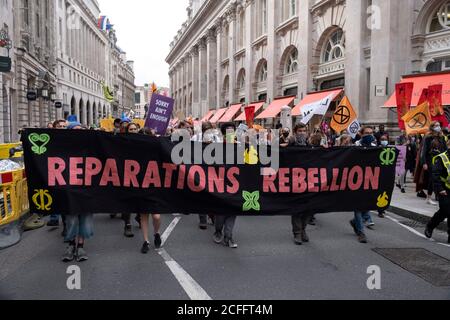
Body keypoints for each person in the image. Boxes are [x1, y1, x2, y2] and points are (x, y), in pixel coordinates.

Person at [62, 125, 93, 262]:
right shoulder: (63, 148)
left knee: (85, 220)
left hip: (87, 190)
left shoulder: (91, 148)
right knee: (72, 219)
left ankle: (80, 246)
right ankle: (70, 245)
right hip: (70, 190)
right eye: (76, 130)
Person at [213, 122, 238, 248]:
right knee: (221, 211)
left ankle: (228, 236)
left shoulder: (239, 146)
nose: (230, 133)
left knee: (233, 209)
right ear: (223, 133)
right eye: (228, 130)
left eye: (232, 130)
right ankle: (218, 230)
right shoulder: (217, 147)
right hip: (220, 183)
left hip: (236, 183)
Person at [350, 126, 377, 243]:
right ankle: (361, 232)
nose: (369, 135)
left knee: (366, 205)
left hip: (370, 180)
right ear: (361, 134)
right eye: (366, 133)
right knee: (358, 207)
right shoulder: (355, 146)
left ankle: (355, 222)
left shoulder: (376, 147)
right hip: (357, 181)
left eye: (371, 133)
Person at [139, 127, 163, 253]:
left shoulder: (157, 149)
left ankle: (156, 232)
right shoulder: (134, 151)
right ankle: (145, 241)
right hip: (140, 185)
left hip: (155, 185)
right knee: (143, 214)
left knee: (156, 216)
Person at [425, 139, 450, 244]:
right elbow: (435, 175)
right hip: (444, 189)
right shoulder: (442, 157)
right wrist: (440, 189)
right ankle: (430, 226)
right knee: (445, 210)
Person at [420, 121, 447, 206]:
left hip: (440, 160)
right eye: (436, 125)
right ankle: (428, 198)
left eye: (439, 125)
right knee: (432, 179)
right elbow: (423, 151)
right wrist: (424, 162)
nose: (438, 127)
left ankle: (439, 196)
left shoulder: (442, 137)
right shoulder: (428, 138)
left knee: (440, 178)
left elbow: (444, 149)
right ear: (432, 127)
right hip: (430, 161)